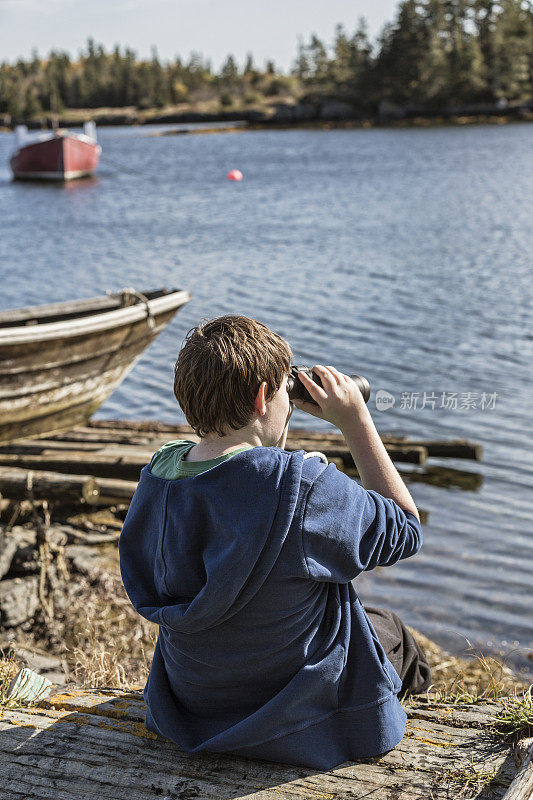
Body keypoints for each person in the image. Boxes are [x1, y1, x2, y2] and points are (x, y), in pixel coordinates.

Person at [118, 314, 431, 771]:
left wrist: (280, 459)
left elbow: (240, 494)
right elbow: (405, 529)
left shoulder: (159, 476)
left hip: (195, 704)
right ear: (264, 397)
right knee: (395, 634)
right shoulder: (303, 485)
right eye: (286, 389)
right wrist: (355, 420)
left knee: (371, 619)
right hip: (292, 713)